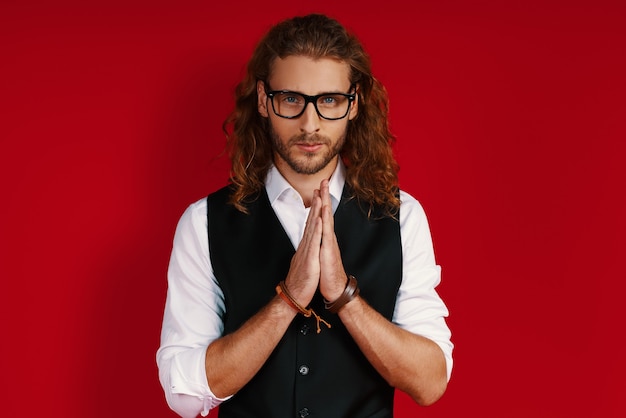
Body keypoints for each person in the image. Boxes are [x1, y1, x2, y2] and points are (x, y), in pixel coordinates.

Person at [157, 13, 453, 418]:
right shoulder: (203, 223)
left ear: (355, 103)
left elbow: (430, 382)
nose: (310, 123)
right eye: (292, 99)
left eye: (329, 100)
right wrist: (287, 301)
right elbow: (185, 398)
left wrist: (344, 297)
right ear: (263, 100)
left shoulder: (403, 219)